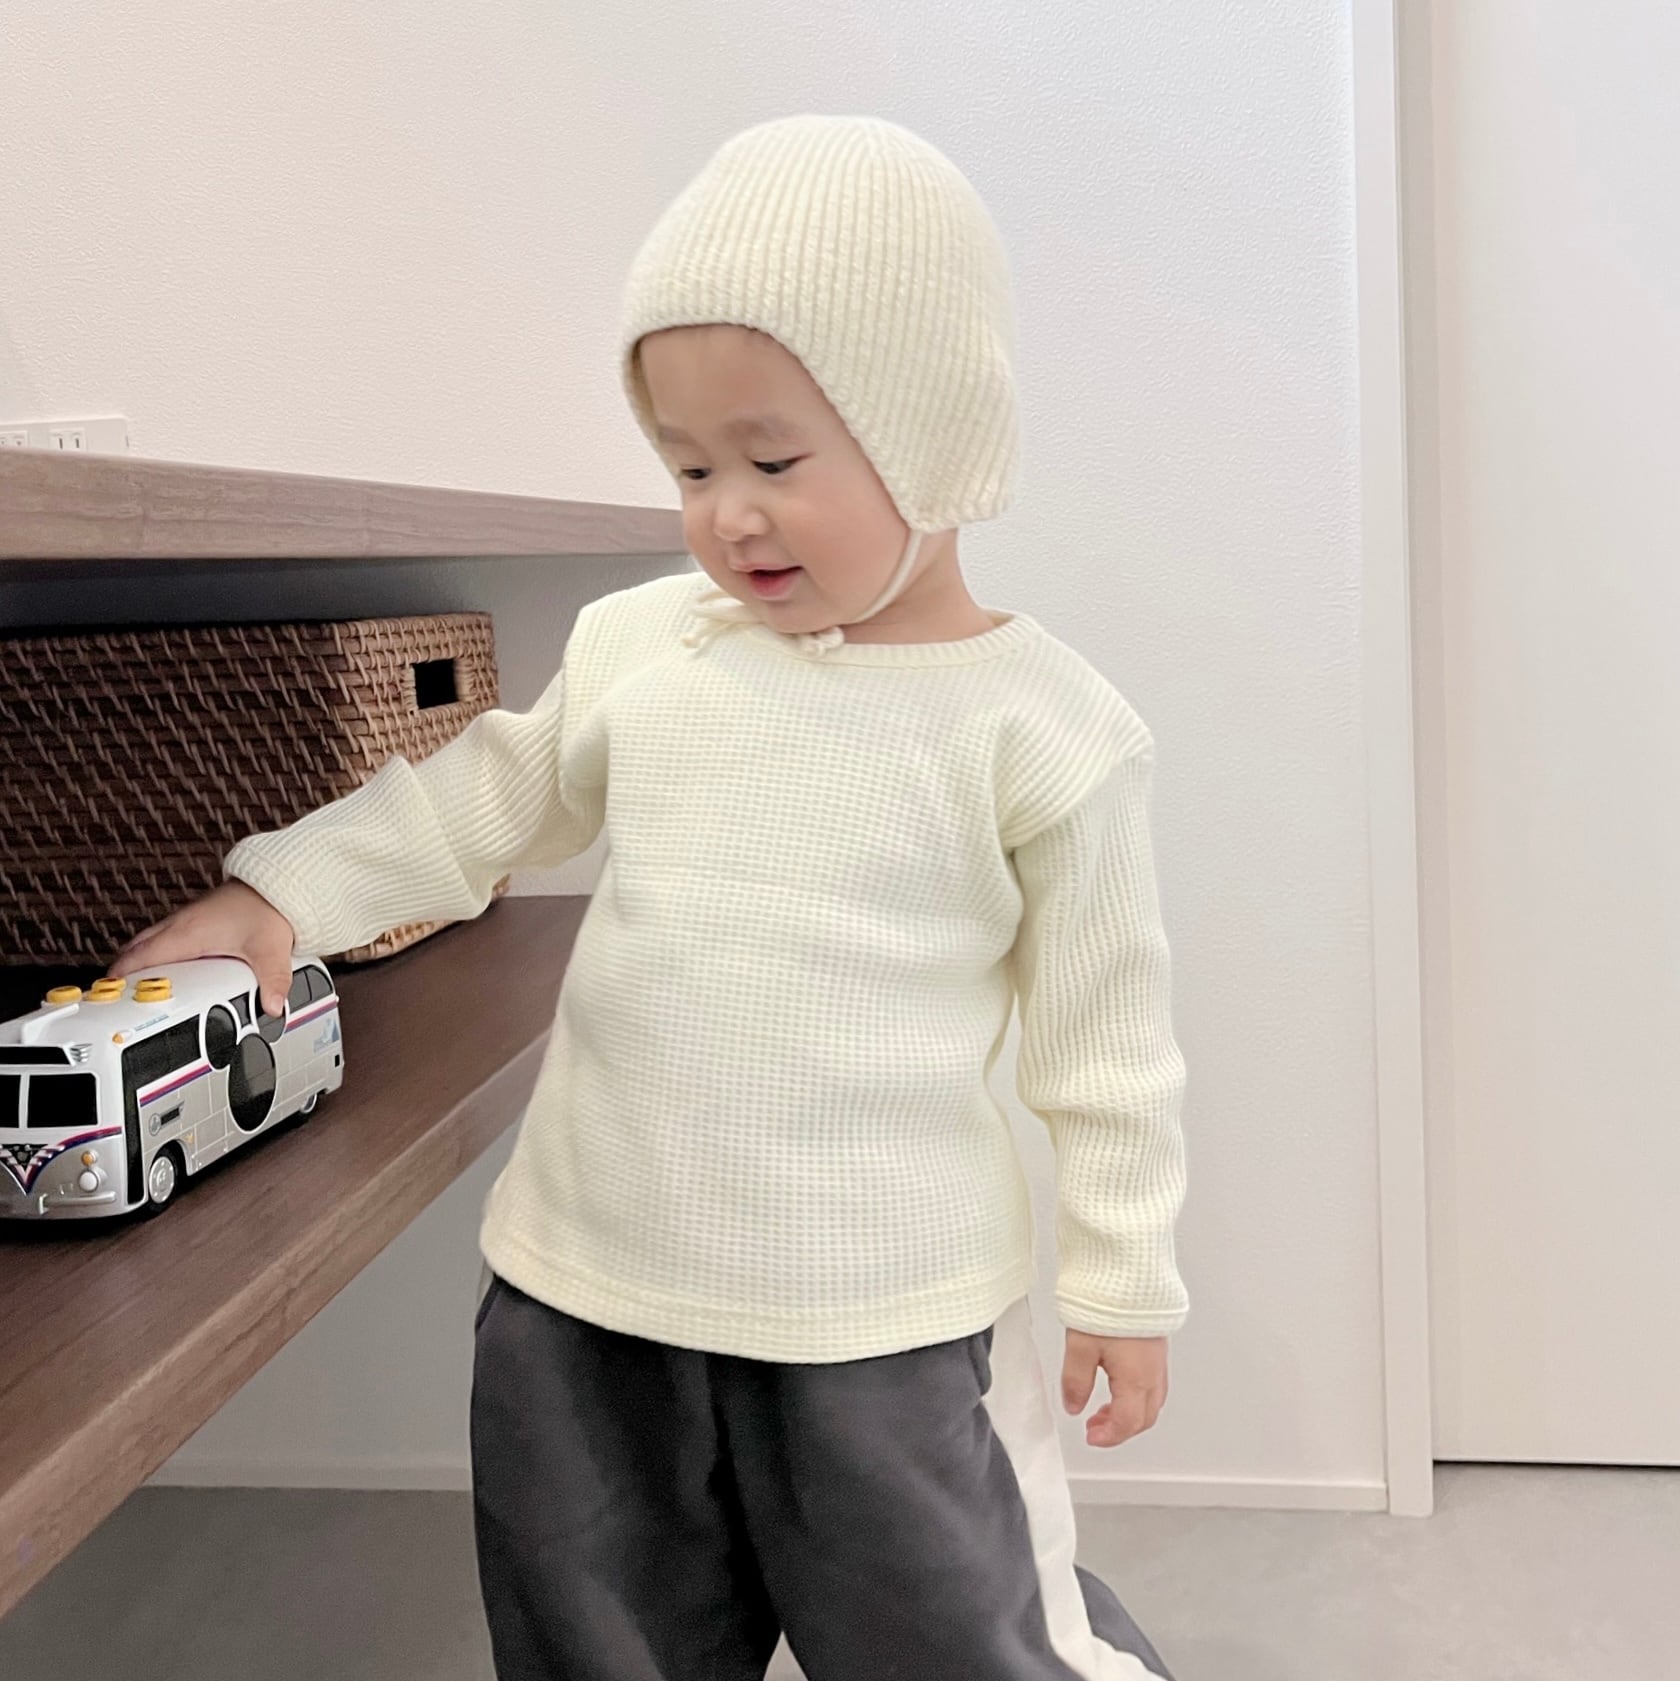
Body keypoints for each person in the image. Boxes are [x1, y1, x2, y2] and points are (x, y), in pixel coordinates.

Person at [114, 115, 1189, 1681]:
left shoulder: (1045, 730)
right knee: (593, 1636)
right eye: (689, 467)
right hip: (589, 1295)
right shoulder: (647, 649)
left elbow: (1108, 1051)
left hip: (879, 1323)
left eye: (773, 462)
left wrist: (1122, 1278)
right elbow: (480, 800)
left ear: (932, 437)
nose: (726, 512)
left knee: (959, 1638)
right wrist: (286, 894)